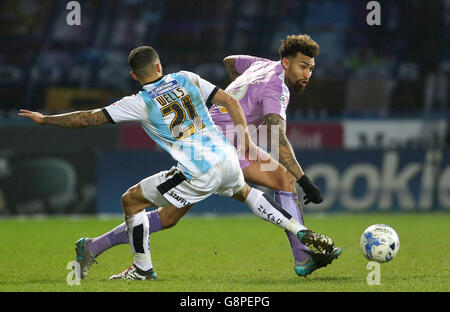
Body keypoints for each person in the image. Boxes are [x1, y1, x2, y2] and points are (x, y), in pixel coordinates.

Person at [19, 45, 337, 281]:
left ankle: (142, 269)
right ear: (160, 65)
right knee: (237, 196)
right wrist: (247, 140)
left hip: (197, 168)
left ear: (133, 75)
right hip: (226, 156)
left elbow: (88, 119)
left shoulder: (138, 102)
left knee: (131, 199)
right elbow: (228, 99)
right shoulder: (185, 78)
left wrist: (46, 119)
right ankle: (300, 231)